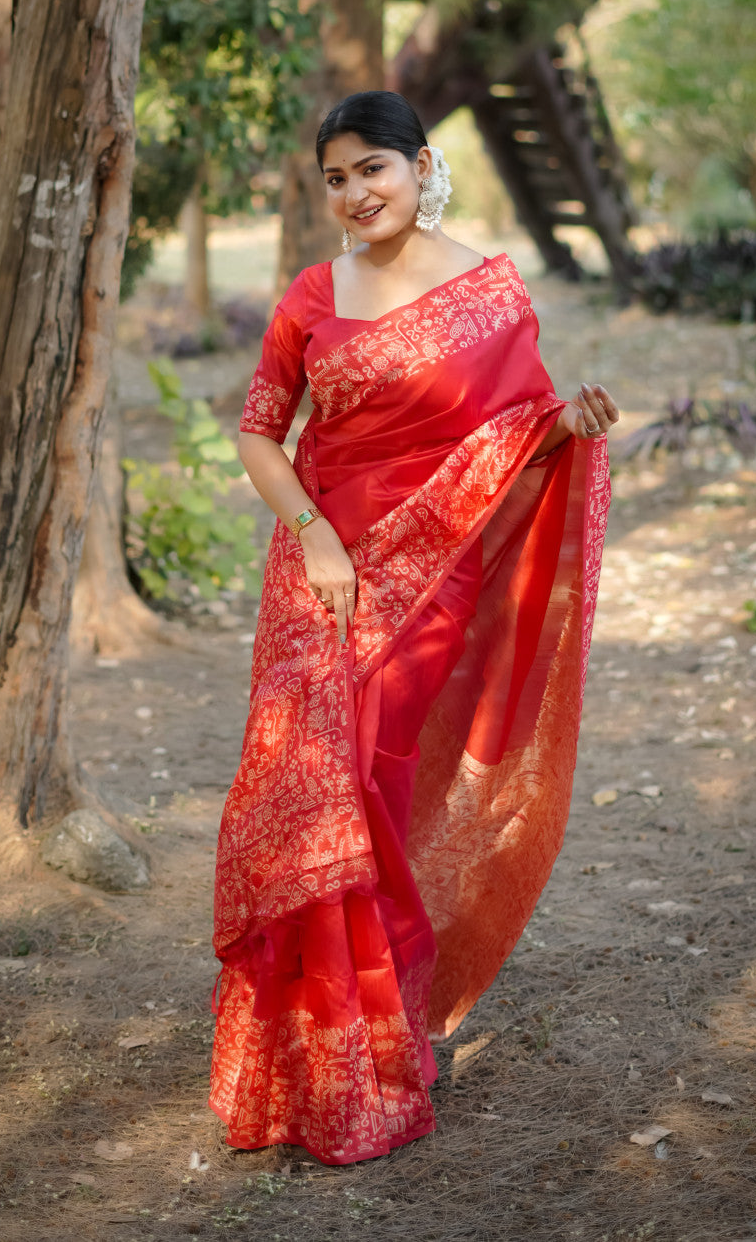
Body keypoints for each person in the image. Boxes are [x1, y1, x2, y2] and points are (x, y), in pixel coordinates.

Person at [209, 90, 617, 1165]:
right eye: (335, 178)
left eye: (372, 171)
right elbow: (258, 434)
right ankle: (297, 1051)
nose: (354, 195)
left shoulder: (487, 293)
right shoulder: (312, 293)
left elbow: (521, 433)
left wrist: (568, 424)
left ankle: (369, 1040)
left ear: (421, 165)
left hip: (427, 573)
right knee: (295, 792)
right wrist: (314, 534)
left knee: (367, 791)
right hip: (314, 572)